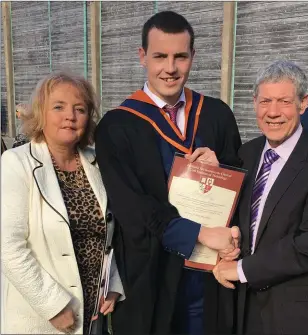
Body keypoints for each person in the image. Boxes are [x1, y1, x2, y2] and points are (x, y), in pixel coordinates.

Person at [95, 10, 242, 335]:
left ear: (193, 56)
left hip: (209, 280)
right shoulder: (117, 126)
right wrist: (197, 234)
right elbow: (131, 208)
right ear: (142, 56)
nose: (171, 68)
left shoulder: (217, 115)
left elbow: (239, 188)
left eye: (180, 56)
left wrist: (223, 171)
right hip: (149, 277)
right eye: (160, 56)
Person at [213, 60, 308, 335]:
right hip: (244, 309)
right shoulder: (246, 154)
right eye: (265, 101)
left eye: (284, 101)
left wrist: (242, 269)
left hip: (297, 314)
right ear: (254, 102)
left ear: (303, 103)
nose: (273, 112)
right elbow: (244, 220)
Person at [1, 72, 125, 335]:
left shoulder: (98, 163)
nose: (70, 115)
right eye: (58, 107)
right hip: (42, 316)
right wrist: (53, 306)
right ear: (40, 113)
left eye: (79, 109)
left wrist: (113, 284)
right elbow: (8, 246)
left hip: (94, 311)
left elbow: (113, 230)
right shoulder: (16, 163)